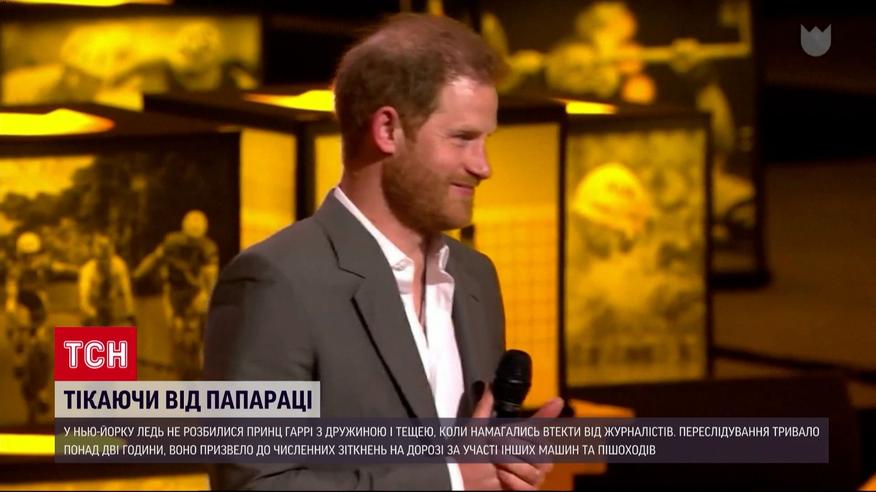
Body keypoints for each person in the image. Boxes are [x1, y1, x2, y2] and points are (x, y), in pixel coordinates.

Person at [204, 13, 563, 491]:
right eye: (462, 138)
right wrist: (450, 480)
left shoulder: (475, 277)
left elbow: (472, 464)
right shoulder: (274, 283)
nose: (484, 166)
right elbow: (254, 484)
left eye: (486, 140)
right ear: (388, 130)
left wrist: (505, 467)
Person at [135, 210, 218, 379]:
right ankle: (181, 365)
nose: (192, 245)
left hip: (195, 290)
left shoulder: (208, 248)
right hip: (173, 290)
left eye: (196, 241)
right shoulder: (172, 242)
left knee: (199, 317)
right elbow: (155, 258)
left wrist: (209, 298)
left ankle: (200, 354)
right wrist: (139, 273)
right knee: (176, 330)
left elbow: (210, 277)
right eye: (189, 240)